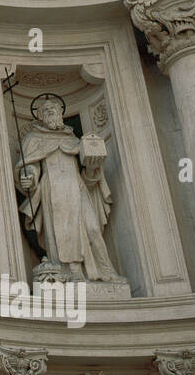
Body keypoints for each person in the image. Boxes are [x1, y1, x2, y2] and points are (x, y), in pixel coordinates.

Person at [15, 93, 118, 281]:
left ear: (60, 113)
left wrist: (93, 166)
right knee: (62, 232)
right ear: (40, 116)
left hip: (77, 188)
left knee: (93, 229)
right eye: (46, 111)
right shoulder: (34, 139)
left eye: (54, 109)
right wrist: (28, 176)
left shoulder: (73, 139)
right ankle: (72, 274)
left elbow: (88, 176)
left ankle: (106, 271)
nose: (51, 112)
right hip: (53, 189)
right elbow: (30, 165)